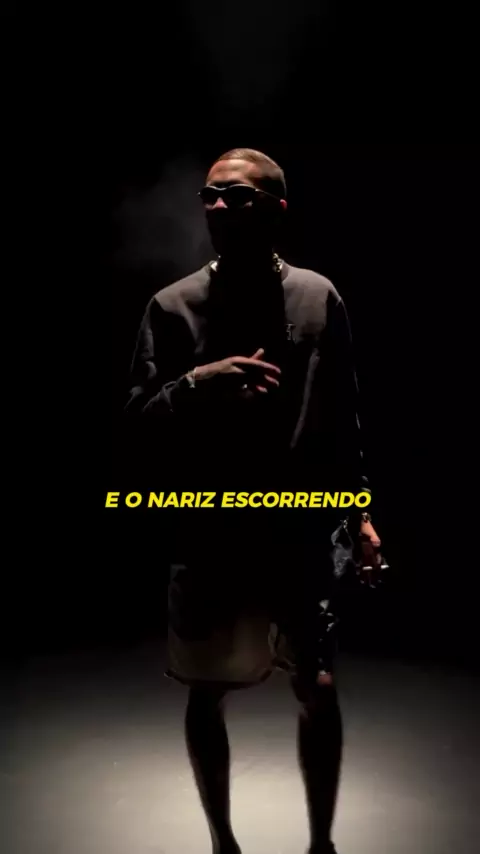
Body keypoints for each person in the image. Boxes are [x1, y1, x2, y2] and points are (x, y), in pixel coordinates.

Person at [125, 148, 381, 854]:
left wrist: (360, 515)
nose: (218, 207)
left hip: (297, 532)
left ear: (276, 209)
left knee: (318, 687)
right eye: (210, 195)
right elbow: (136, 420)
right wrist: (196, 382)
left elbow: (343, 416)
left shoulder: (317, 297)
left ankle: (322, 846)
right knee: (205, 690)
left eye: (236, 196)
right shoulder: (172, 306)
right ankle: (224, 846)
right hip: (209, 535)